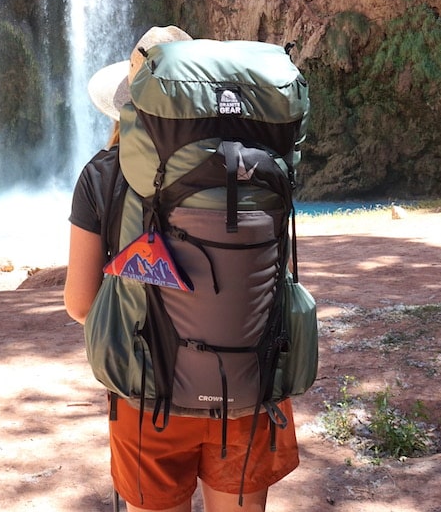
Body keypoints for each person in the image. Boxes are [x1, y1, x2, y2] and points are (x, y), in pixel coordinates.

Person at [65, 26, 299, 512]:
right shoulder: (256, 163)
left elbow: (80, 304)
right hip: (250, 384)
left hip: (149, 394)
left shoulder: (102, 175)